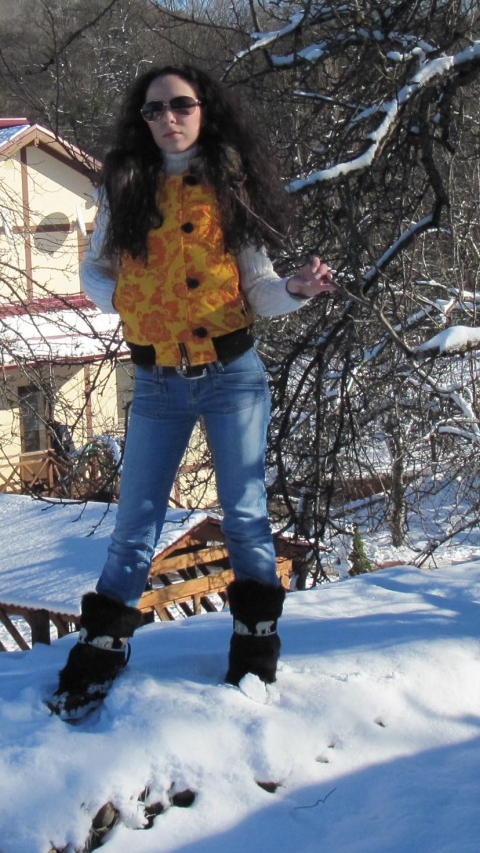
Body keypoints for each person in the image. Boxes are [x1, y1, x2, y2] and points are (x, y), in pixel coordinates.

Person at [52, 65, 335, 719]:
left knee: (245, 513)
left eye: (180, 105)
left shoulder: (228, 185)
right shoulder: (125, 186)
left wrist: (295, 290)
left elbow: (258, 290)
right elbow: (94, 275)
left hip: (231, 375)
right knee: (135, 521)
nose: (168, 118)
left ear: (205, 110)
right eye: (154, 110)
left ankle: (255, 647)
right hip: (156, 381)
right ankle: (101, 650)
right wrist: (131, 298)